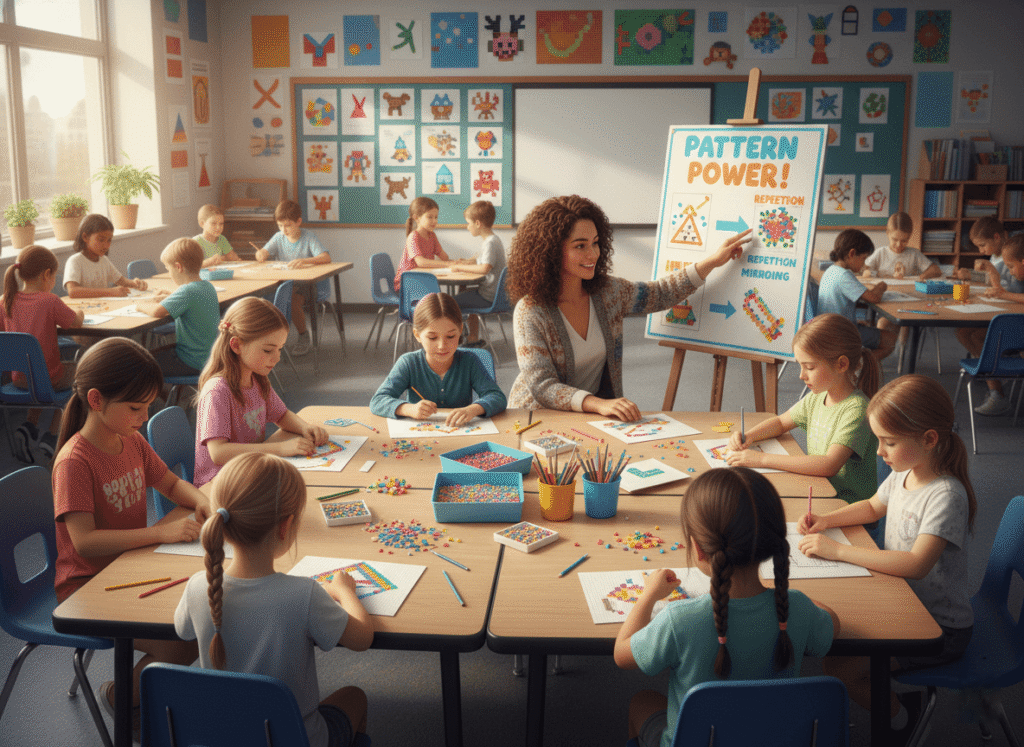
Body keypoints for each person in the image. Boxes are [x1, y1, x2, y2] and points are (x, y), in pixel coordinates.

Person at [798, 374, 975, 740]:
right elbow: (871, 507)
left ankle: (902, 717)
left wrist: (840, 551)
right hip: (903, 600)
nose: (879, 451)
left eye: (889, 442)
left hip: (939, 627)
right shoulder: (904, 472)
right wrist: (828, 520)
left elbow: (916, 564)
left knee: (841, 671)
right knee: (832, 653)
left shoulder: (945, 495)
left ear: (929, 439)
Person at [614, 467, 837, 747]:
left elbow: (622, 654)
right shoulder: (797, 609)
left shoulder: (679, 620)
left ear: (698, 549)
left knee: (642, 701)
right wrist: (794, 597)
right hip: (774, 740)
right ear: (773, 543)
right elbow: (832, 625)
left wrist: (648, 594)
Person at [52, 337, 209, 729]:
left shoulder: (131, 439)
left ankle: (155, 697)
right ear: (96, 400)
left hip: (131, 565)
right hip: (87, 586)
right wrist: (160, 534)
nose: (144, 416)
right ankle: (119, 697)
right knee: (185, 640)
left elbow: (170, 484)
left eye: (148, 406)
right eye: (136, 408)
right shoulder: (74, 462)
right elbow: (86, 542)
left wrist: (201, 501)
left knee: (205, 618)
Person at [175, 453, 373, 747]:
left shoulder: (197, 586)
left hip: (224, 739)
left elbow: (182, 631)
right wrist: (344, 590)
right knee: (355, 697)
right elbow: (362, 638)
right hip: (296, 740)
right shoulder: (304, 594)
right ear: (285, 526)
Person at [506, 195, 750, 419]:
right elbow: (542, 385)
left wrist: (713, 261)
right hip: (535, 418)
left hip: (587, 417)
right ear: (551, 252)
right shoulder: (530, 311)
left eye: (595, 243)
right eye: (580, 246)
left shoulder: (608, 293)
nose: (593, 254)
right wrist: (598, 404)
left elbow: (659, 293)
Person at [726, 313, 879, 504]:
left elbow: (829, 464)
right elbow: (781, 422)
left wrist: (760, 459)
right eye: (800, 366)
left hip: (846, 505)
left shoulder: (857, 409)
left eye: (810, 367)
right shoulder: (818, 396)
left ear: (841, 364)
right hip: (820, 490)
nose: (801, 375)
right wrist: (750, 435)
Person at [194, 296, 329, 487]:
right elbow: (218, 453)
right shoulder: (217, 391)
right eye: (268, 350)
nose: (277, 358)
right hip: (221, 485)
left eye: (280, 349)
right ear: (236, 345)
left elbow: (281, 415)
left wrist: (304, 428)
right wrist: (280, 448)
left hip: (250, 471)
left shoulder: (256, 378)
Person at [370, 292, 506, 426]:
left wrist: (473, 409)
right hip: (420, 435)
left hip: (459, 434)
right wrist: (408, 409)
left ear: (460, 330)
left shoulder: (470, 361)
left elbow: (497, 397)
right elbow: (378, 401)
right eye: (432, 338)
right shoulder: (409, 363)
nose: (442, 346)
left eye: (451, 336)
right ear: (417, 335)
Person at [0, 245, 83, 462]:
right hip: (49, 379)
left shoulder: (4, 300)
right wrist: (80, 311)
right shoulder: (50, 300)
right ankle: (53, 435)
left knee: (37, 375)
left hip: (18, 380)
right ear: (47, 274)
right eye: (54, 276)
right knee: (82, 375)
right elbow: (75, 322)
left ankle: (29, 427)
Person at [955, 220, 1019, 415]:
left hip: (1014, 320)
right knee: (963, 332)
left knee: (977, 336)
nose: (981, 251)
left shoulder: (1012, 256)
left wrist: (994, 278)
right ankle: (992, 373)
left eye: (983, 245)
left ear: (996, 237)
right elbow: (997, 284)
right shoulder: (1002, 256)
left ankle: (996, 388)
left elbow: (1007, 287)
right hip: (1006, 312)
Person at [254, 199, 331, 356]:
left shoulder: (308, 237)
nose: (284, 230)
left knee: (293, 300)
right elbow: (263, 253)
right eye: (280, 226)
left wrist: (305, 261)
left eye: (288, 225)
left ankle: (303, 335)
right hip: (284, 284)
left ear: (298, 222)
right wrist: (260, 254)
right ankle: (267, 339)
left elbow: (326, 257)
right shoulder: (278, 237)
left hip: (307, 285)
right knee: (261, 298)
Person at [136, 238, 220, 380]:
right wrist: (170, 296)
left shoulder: (186, 291)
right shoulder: (208, 286)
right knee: (156, 354)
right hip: (210, 359)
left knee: (141, 363)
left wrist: (139, 305)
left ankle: (152, 392)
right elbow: (190, 299)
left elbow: (157, 312)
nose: (169, 274)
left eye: (168, 269)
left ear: (178, 267)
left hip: (191, 362)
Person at [817, 228, 897, 363]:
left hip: (828, 329)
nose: (864, 264)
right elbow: (874, 298)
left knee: (868, 326)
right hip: (841, 334)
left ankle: (857, 361)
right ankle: (857, 365)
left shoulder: (831, 270)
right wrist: (882, 286)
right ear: (852, 254)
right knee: (890, 340)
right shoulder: (844, 275)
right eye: (863, 258)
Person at [453, 200, 506, 346]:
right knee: (464, 292)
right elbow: (483, 261)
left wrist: (460, 268)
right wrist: (468, 262)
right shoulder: (492, 239)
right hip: (493, 294)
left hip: (488, 296)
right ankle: (473, 338)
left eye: (468, 223)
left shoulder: (490, 242)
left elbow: (484, 268)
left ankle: (455, 338)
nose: (467, 227)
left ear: (477, 223)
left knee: (450, 303)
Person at [393, 196, 470, 292]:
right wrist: (448, 264)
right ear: (416, 218)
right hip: (406, 284)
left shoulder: (432, 235)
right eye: (430, 217)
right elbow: (421, 262)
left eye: (436, 217)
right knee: (438, 297)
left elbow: (444, 257)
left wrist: (457, 262)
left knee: (442, 296)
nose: (434, 221)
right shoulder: (413, 237)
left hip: (422, 279)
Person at [63, 213, 147, 298]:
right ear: (85, 237)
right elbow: (73, 291)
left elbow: (121, 281)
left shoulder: (104, 260)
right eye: (101, 240)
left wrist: (135, 283)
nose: (106, 245)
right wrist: (110, 292)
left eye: (109, 240)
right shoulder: (75, 261)